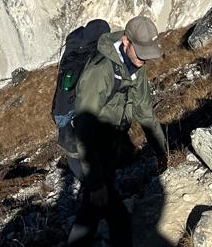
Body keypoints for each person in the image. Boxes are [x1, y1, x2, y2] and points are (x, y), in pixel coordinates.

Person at [65, 15, 170, 246]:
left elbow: (145, 114)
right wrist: (95, 183)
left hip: (106, 149)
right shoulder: (100, 73)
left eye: (148, 52)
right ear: (126, 41)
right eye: (140, 51)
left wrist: (161, 152)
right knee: (118, 218)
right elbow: (84, 129)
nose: (144, 59)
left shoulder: (136, 69)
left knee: (91, 212)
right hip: (84, 150)